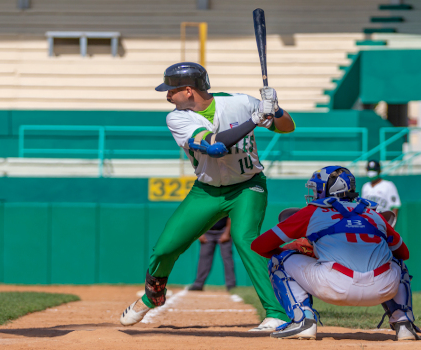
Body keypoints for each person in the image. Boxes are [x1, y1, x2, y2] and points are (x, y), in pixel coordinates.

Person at [120, 62, 295, 331]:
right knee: (165, 248)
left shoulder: (241, 102)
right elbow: (215, 147)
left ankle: (277, 313)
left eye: (171, 90)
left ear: (189, 90)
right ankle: (153, 296)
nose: (167, 95)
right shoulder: (177, 118)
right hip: (207, 190)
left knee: (246, 239)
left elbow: (287, 127)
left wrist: (276, 109)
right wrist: (255, 120)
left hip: (247, 186)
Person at [251, 166, 420, 340]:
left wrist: (301, 252)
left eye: (317, 188)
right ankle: (404, 322)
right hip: (383, 288)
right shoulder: (373, 213)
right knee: (398, 263)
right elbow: (404, 253)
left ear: (328, 189)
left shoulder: (312, 211)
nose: (314, 192)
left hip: (333, 285)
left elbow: (260, 245)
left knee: (279, 260)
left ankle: (304, 320)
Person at [188, 217, 236, 292]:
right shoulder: (203, 205)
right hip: (207, 231)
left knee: (227, 258)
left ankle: (231, 285)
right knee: (204, 258)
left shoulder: (224, 205)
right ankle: (198, 284)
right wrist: (200, 233)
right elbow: (199, 216)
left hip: (224, 230)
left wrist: (227, 233)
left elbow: (230, 216)